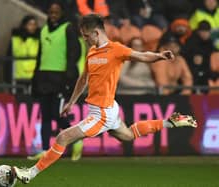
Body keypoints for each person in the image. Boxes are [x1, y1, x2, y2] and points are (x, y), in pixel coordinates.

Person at [12, 14, 197, 184]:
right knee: (128, 135)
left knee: (63, 136)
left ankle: (30, 173)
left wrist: (159, 56)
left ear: (96, 32)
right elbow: (83, 78)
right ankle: (170, 122)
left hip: (102, 113)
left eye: (86, 35)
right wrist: (72, 102)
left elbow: (140, 55)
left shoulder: (116, 49)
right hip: (108, 109)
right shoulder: (92, 52)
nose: (84, 39)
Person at [29, 1, 83, 162]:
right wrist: (35, 78)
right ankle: (45, 150)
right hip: (44, 78)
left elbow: (75, 54)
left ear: (62, 14)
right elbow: (40, 56)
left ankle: (77, 138)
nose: (53, 16)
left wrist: (69, 78)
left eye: (56, 12)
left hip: (60, 78)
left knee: (57, 114)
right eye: (51, 12)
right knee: (45, 115)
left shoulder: (68, 29)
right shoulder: (44, 30)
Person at [5, 15, 40, 93]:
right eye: (30, 24)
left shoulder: (38, 40)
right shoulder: (15, 39)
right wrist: (7, 77)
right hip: (17, 78)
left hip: (33, 78)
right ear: (24, 25)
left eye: (34, 24)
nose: (33, 27)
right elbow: (9, 58)